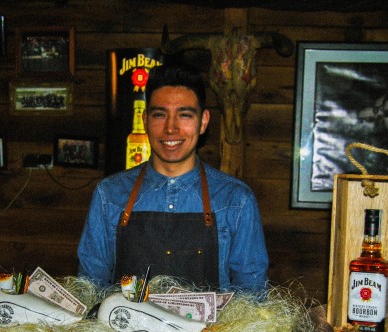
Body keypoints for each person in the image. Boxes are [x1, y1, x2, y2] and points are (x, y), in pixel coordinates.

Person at [77, 63, 269, 291]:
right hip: (127, 316)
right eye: (160, 115)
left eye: (184, 115)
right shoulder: (109, 195)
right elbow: (90, 288)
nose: (170, 128)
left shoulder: (236, 200)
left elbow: (252, 295)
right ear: (145, 120)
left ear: (203, 122)